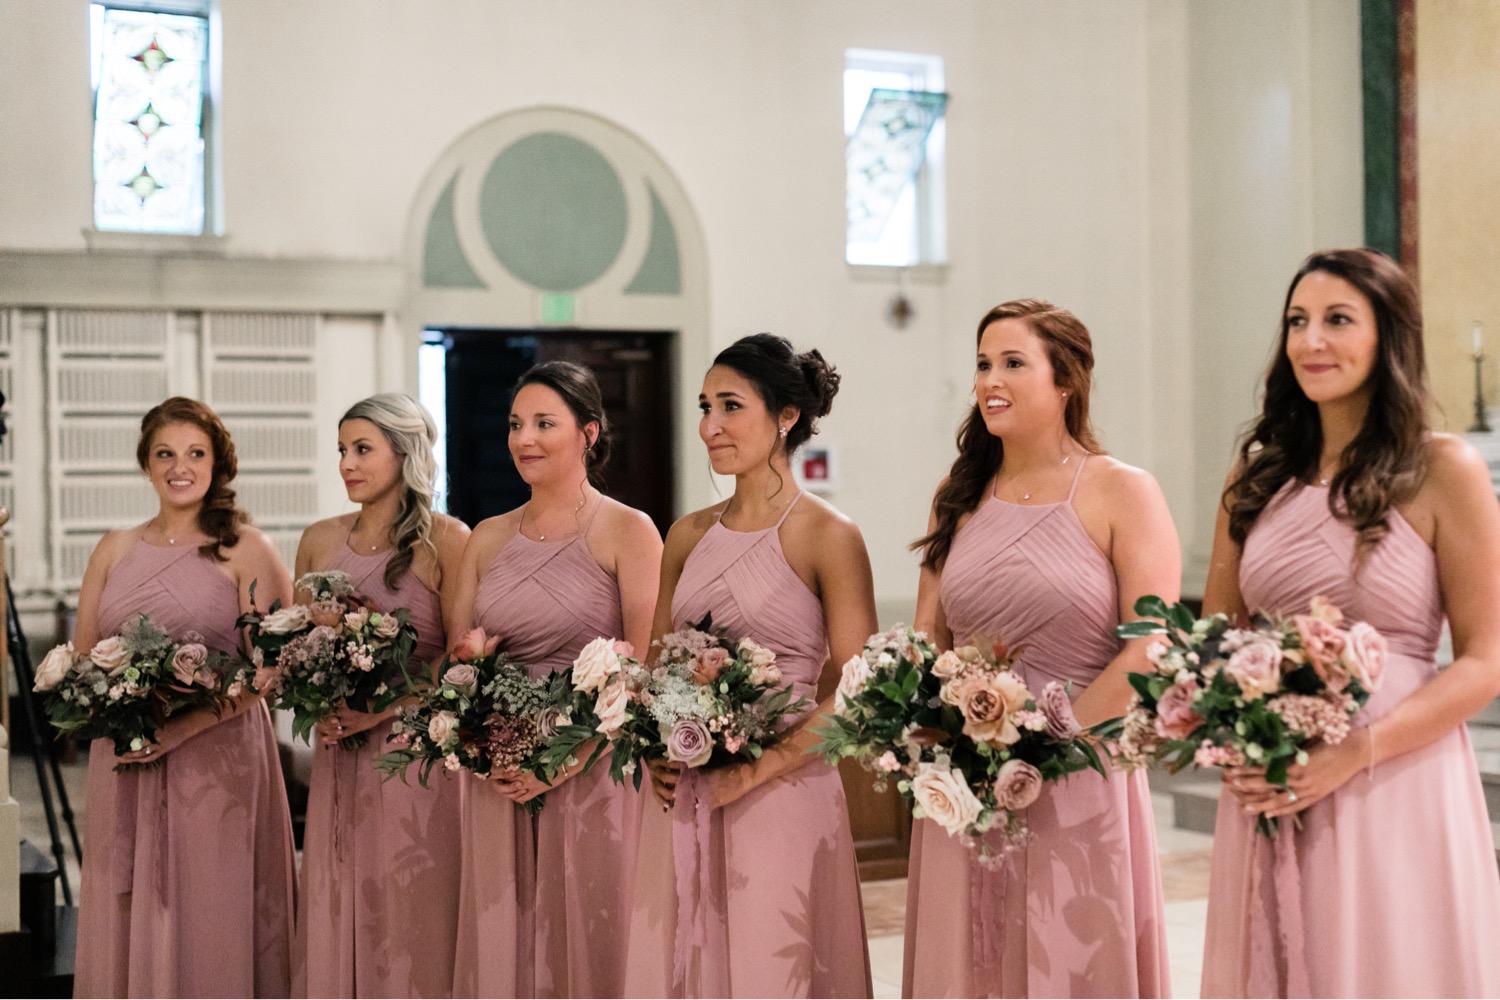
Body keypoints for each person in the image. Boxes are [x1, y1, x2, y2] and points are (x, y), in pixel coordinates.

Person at [1200, 248, 1500, 996]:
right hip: (1271, 775)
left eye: (1338, 320)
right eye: (1297, 321)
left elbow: (1486, 659)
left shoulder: (1443, 469)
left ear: (1387, 336)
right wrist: (1230, 729)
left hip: (1394, 774)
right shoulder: (1256, 477)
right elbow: (1213, 638)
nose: (1311, 341)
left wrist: (1353, 752)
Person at [903, 300, 1175, 998]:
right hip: (966, 776)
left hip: (1080, 771)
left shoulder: (1122, 490)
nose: (990, 380)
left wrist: (1046, 742)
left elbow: (1150, 646)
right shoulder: (958, 496)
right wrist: (936, 726)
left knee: (1070, 959)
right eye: (983, 364)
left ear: (1066, 381)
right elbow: (929, 637)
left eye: (1013, 363)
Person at [624, 333, 876, 999]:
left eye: (730, 406)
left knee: (773, 964)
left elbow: (861, 686)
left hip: (783, 790)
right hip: (686, 786)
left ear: (786, 416)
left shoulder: (829, 534)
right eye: (705, 407)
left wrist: (759, 769)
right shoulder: (686, 534)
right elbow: (655, 664)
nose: (710, 426)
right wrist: (655, 746)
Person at [445, 361, 662, 998]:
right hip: (500, 775)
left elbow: (642, 669)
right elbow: (460, 670)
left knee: (593, 940)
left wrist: (565, 761)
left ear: (588, 433)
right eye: (516, 424)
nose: (524, 439)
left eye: (544, 423)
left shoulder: (629, 530)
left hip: (594, 770)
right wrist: (488, 750)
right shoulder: (486, 538)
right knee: (504, 940)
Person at [72, 397, 297, 998]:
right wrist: (116, 709)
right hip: (125, 760)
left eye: (196, 454)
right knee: (126, 905)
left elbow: (270, 668)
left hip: (215, 760)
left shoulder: (247, 548)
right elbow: (82, 661)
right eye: (165, 454)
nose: (181, 467)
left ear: (217, 464)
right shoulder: (113, 547)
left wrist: (178, 728)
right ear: (145, 463)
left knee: (210, 914)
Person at [291, 393, 469, 998]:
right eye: (342, 450)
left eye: (362, 449)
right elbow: (296, 647)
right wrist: (316, 700)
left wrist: (381, 710)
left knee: (413, 911)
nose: (346, 463)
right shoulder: (318, 541)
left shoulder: (448, 540)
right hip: (339, 753)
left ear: (404, 453)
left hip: (417, 759)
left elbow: (460, 657)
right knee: (339, 897)